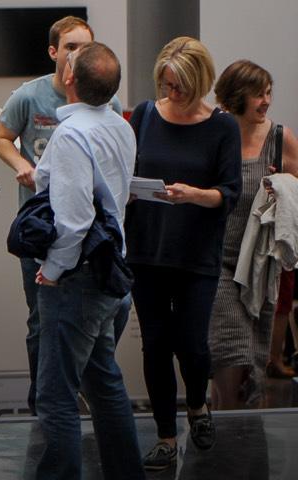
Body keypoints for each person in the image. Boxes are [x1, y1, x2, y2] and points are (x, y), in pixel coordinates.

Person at [26, 41, 145, 480]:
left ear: (70, 79)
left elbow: (73, 222)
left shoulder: (72, 135)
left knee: (56, 396)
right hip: (111, 273)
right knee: (104, 381)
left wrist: (53, 272)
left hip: (77, 279)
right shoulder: (121, 127)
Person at [0, 17, 123, 414]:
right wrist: (21, 165)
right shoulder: (28, 97)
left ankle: (72, 397)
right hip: (41, 228)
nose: (77, 55)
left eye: (85, 46)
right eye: (70, 47)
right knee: (41, 319)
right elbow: (0, 138)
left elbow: (85, 202)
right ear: (53, 52)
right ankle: (42, 403)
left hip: (89, 236)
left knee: (98, 328)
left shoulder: (108, 107)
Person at [124, 36, 242, 469]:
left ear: (200, 83)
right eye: (167, 85)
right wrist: (128, 194)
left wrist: (195, 194)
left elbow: (230, 194)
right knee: (155, 345)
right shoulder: (144, 114)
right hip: (146, 249)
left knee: (192, 344)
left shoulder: (222, 126)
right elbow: (126, 171)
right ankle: (166, 436)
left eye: (180, 88)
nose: (172, 95)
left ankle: (196, 404)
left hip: (195, 255)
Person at [211, 60, 298, 409]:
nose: (265, 102)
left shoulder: (280, 139)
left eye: (268, 93)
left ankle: (236, 442)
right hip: (218, 263)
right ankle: (224, 434)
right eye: (257, 95)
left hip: (260, 268)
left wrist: (284, 188)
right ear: (235, 98)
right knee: (229, 354)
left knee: (252, 364)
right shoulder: (216, 134)